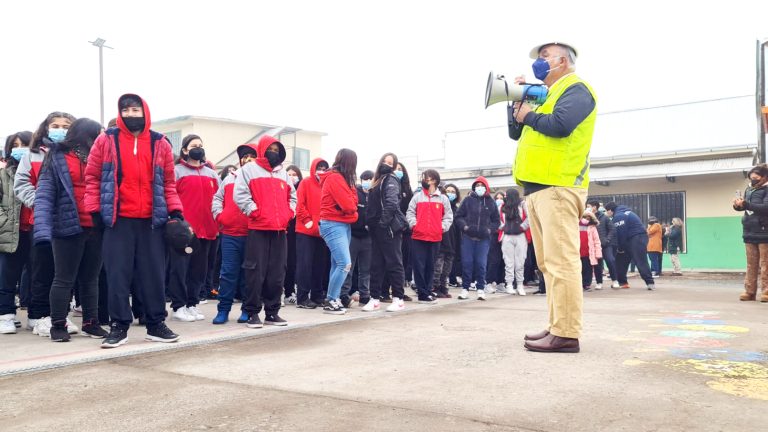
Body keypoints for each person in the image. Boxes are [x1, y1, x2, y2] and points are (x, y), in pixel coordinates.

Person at [512, 41, 597, 353]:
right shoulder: (544, 95)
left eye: (544, 56)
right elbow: (516, 131)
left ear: (563, 60)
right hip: (538, 189)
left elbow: (561, 126)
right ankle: (556, 324)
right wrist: (517, 104)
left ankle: (566, 333)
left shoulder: (577, 89)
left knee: (562, 263)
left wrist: (529, 115)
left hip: (559, 188)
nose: (539, 61)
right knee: (548, 264)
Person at [85, 93, 183, 348]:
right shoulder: (107, 140)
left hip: (152, 221)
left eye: (135, 109)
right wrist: (95, 211)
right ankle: (119, 326)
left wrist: (175, 212)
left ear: (145, 111)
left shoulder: (160, 143)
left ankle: (155, 323)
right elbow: (93, 177)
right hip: (118, 221)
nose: (130, 114)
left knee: (154, 275)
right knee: (118, 275)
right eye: (125, 110)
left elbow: (169, 183)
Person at [34, 118, 108, 341]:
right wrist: (43, 229)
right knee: (64, 278)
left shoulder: (101, 157)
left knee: (91, 278)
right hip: (66, 226)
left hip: (96, 226)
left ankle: (91, 323)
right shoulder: (56, 156)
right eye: (99, 135)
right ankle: (58, 324)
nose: (101, 139)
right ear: (87, 135)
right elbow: (45, 194)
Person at [16, 112, 77, 337]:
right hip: (40, 221)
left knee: (65, 272)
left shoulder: (76, 153)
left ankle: (59, 315)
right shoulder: (32, 155)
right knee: (42, 270)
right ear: (46, 128)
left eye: (65, 125)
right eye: (55, 125)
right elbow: (21, 184)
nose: (60, 129)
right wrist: (41, 204)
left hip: (69, 222)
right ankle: (39, 316)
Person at [233, 135, 296, 328]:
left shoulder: (283, 174)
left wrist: (289, 213)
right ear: (262, 149)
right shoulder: (249, 170)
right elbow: (240, 194)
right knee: (255, 272)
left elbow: (293, 197)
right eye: (271, 149)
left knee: (277, 273)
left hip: (279, 230)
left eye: (277, 151)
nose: (273, 153)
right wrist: (254, 211)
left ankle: (272, 312)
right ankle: (252, 313)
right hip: (258, 229)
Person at [168, 134, 220, 322]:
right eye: (193, 145)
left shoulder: (212, 174)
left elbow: (218, 200)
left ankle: (192, 303)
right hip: (185, 233)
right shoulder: (177, 171)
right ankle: (179, 306)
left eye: (200, 145)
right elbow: (170, 197)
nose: (197, 148)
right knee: (181, 269)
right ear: (184, 150)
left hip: (207, 231)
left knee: (199, 270)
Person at [211, 144, 256, 324]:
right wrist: (220, 216)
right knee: (228, 273)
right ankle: (223, 310)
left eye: (252, 155)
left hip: (252, 234)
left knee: (248, 274)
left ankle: (247, 310)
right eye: (245, 156)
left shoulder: (259, 179)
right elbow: (217, 198)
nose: (247, 159)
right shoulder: (230, 177)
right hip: (229, 234)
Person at [364, 153, 407, 312]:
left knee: (394, 263)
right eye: (384, 161)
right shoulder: (377, 181)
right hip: (376, 230)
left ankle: (398, 299)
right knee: (376, 264)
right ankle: (374, 298)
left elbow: (391, 204)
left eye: (390, 163)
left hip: (388, 229)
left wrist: (382, 224)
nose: (386, 164)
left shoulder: (391, 179)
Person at [0, 131, 33, 334]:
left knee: (38, 275)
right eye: (16, 145)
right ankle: (6, 315)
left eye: (25, 145)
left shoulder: (39, 170)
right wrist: (4, 223)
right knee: (7, 277)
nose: (19, 149)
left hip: (36, 232)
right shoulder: (3, 174)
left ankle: (36, 315)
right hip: (12, 232)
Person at [318, 149, 358, 315]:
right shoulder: (335, 178)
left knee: (337, 264)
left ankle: (332, 298)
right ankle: (331, 300)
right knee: (344, 264)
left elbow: (354, 200)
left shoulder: (343, 179)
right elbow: (350, 206)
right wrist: (353, 211)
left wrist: (352, 210)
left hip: (341, 224)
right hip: (333, 223)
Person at [406, 169, 452, 304]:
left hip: (435, 237)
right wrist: (414, 225)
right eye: (425, 178)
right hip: (418, 237)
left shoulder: (443, 199)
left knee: (430, 266)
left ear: (436, 180)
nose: (428, 181)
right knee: (419, 265)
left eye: (430, 179)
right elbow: (410, 213)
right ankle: (422, 294)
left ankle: (427, 290)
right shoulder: (417, 197)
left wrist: (441, 227)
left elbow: (448, 216)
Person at [454, 177, 499, 301]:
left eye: (482, 185)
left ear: (486, 187)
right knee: (467, 263)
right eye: (477, 185)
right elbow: (458, 216)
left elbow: (496, 221)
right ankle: (465, 289)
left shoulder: (490, 202)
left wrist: (489, 230)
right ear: (474, 187)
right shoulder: (468, 200)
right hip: (468, 237)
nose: (479, 187)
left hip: (484, 239)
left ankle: (480, 289)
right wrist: (466, 227)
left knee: (481, 264)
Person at [294, 158, 331, 310]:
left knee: (319, 265)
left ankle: (317, 295)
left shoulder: (327, 184)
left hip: (322, 231)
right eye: (319, 167)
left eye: (324, 168)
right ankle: (302, 297)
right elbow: (299, 203)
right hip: (305, 231)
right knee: (305, 264)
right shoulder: (305, 183)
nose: (321, 170)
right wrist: (308, 221)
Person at [733, 164, 768, 302]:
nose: (753, 179)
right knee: (751, 263)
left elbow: (765, 208)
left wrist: (747, 204)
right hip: (749, 230)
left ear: (765, 177)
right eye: (751, 177)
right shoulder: (749, 189)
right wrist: (738, 206)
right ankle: (750, 291)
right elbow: (747, 208)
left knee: (765, 263)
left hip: (765, 231)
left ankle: (766, 291)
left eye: (756, 177)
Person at [604, 202, 656, 291]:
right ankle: (622, 282)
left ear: (610, 210)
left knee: (640, 260)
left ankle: (650, 282)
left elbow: (621, 234)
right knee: (620, 260)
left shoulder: (619, 216)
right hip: (631, 238)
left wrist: (620, 247)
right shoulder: (623, 212)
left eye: (606, 211)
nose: (606, 213)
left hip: (637, 238)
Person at [341, 170, 374, 307]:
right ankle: (343, 294)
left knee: (365, 269)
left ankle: (365, 295)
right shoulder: (355, 192)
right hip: (353, 235)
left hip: (368, 237)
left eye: (370, 179)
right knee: (348, 267)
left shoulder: (374, 195)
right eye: (365, 179)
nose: (367, 182)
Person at [432, 183, 461, 298]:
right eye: (448, 191)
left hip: (452, 243)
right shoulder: (440, 206)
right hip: (440, 241)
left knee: (447, 269)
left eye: (453, 192)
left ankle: (444, 287)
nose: (450, 194)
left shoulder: (457, 209)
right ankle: (435, 287)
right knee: (438, 268)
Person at [499, 188, 529, 295]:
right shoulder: (502, 206)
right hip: (507, 236)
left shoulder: (522, 204)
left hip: (520, 236)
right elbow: (497, 219)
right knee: (508, 262)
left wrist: (522, 227)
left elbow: (530, 217)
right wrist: (504, 227)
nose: (505, 197)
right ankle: (509, 285)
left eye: (507, 195)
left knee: (520, 262)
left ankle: (520, 285)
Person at [284, 164, 303, 305]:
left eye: (294, 174)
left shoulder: (301, 189)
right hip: (285, 229)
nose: (292, 177)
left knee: (293, 262)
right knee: (283, 262)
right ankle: (283, 290)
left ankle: (290, 291)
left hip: (298, 231)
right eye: (289, 174)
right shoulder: (283, 189)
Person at [588, 200, 617, 288]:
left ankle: (615, 280)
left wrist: (607, 240)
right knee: (597, 264)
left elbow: (612, 229)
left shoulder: (604, 217)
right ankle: (599, 282)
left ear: (594, 207)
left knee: (610, 261)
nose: (587, 208)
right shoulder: (587, 219)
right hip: (594, 246)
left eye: (588, 206)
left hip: (605, 245)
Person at [579, 211, 603, 291]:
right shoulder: (576, 225)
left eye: (588, 217)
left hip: (588, 252)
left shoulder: (592, 227)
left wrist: (598, 252)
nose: (586, 219)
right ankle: (581, 284)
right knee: (580, 269)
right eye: (585, 217)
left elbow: (596, 241)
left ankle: (586, 284)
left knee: (588, 269)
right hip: (578, 251)